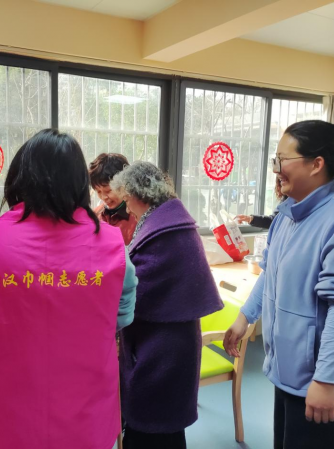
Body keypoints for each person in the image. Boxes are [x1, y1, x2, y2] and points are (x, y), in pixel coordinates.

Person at [0, 129, 137, 449]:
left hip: (8, 408)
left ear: (18, 177)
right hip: (85, 408)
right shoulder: (112, 246)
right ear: (80, 183)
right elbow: (121, 317)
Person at [223, 120, 334, 449]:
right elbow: (270, 273)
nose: (276, 169)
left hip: (323, 380)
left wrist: (325, 379)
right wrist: (244, 317)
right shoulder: (287, 214)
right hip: (290, 371)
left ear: (316, 164)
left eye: (282, 160)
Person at [111, 161, 223, 449]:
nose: (126, 205)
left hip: (162, 346)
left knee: (154, 429)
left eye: (126, 198)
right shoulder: (168, 222)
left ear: (137, 193)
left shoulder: (165, 231)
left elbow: (141, 286)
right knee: (165, 428)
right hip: (172, 339)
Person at [89, 153, 137, 245]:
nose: (103, 197)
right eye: (98, 191)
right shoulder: (95, 215)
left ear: (124, 184)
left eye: (108, 191)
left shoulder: (137, 217)